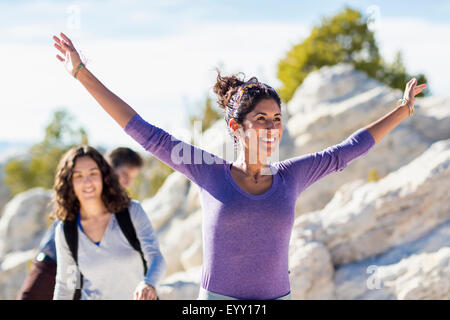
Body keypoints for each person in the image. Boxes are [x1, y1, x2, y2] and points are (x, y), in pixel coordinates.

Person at [52, 32, 427, 300]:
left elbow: (349, 149)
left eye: (277, 118)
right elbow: (145, 132)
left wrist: (403, 109)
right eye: (261, 118)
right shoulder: (207, 171)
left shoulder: (292, 175)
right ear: (237, 126)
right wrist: (82, 72)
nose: (271, 126)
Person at [16, 147, 145, 300]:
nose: (128, 182)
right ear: (109, 167)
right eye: (124, 174)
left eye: (132, 178)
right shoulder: (87, 188)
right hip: (52, 264)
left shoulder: (121, 206)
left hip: (80, 275)